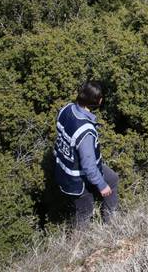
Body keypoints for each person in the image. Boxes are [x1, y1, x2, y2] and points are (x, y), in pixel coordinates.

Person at [54, 81, 119, 228]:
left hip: (63, 168)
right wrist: (102, 185)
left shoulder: (66, 109)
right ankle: (81, 243)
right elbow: (89, 166)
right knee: (85, 211)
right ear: (99, 101)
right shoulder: (85, 130)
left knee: (113, 179)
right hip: (76, 178)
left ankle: (112, 223)